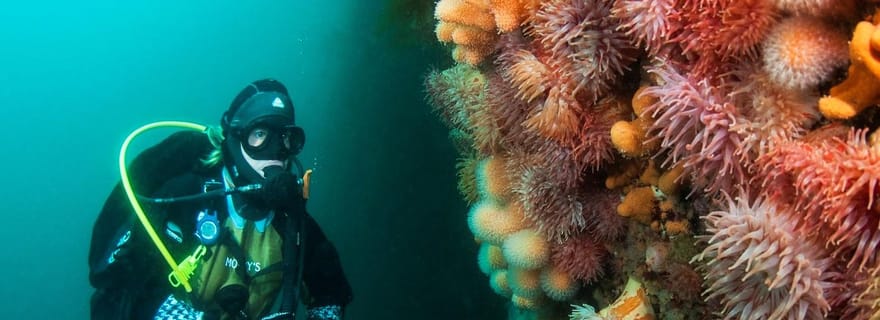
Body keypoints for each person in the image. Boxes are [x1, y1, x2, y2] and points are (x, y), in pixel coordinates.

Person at [88, 79, 353, 320]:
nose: (276, 152)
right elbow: (119, 290)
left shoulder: (292, 222)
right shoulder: (184, 197)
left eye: (286, 138)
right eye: (259, 135)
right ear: (235, 139)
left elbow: (329, 289)